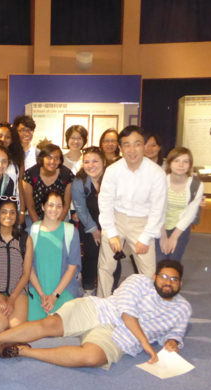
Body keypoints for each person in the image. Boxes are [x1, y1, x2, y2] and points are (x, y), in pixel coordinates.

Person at [0, 260, 191, 370]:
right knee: (49, 324)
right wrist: (145, 342)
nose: (167, 282)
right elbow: (127, 313)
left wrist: (172, 342)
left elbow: (175, 333)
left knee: (91, 359)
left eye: (174, 279)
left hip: (121, 338)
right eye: (163, 276)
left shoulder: (183, 309)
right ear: (155, 276)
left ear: (180, 283)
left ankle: (23, 351)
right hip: (98, 310)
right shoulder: (139, 281)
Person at [97, 126, 167, 298]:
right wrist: (111, 233)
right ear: (120, 148)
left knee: (148, 271)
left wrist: (146, 236)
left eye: (137, 144)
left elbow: (158, 209)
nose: (132, 149)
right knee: (105, 267)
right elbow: (105, 202)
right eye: (127, 145)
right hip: (116, 219)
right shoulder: (113, 170)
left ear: (144, 145)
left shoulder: (156, 173)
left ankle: (147, 307)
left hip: (143, 223)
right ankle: (102, 306)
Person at [0, 200, 33, 335]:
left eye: (12, 212)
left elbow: (26, 273)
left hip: (18, 291)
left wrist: (12, 299)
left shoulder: (25, 239)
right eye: (4, 212)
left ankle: (1, 342)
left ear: (17, 216)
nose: (8, 216)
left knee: (17, 329)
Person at [27, 190, 81, 321]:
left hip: (63, 290)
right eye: (50, 205)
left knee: (58, 323)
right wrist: (41, 294)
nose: (54, 209)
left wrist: (54, 296)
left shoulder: (71, 231)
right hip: (37, 290)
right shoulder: (32, 231)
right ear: (43, 206)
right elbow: (29, 268)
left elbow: (72, 268)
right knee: (33, 322)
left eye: (59, 206)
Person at [157, 148, 203, 262]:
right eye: (176, 160)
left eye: (185, 161)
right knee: (159, 262)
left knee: (173, 261)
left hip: (180, 226)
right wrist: (163, 236)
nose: (181, 165)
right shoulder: (160, 181)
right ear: (169, 163)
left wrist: (173, 237)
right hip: (158, 225)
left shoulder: (196, 185)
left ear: (190, 164)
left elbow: (190, 213)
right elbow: (156, 210)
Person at [72, 147, 107, 296]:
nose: (91, 165)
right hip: (89, 223)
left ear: (103, 162)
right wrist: (94, 231)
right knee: (92, 255)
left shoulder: (112, 178)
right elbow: (81, 208)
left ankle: (108, 290)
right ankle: (88, 289)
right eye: (86, 162)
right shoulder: (80, 180)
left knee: (112, 257)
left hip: (112, 223)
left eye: (95, 161)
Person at [22, 143, 74, 227]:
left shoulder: (66, 175)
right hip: (35, 217)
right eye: (49, 158)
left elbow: (66, 204)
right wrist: (39, 227)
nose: (52, 162)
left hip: (60, 217)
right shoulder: (30, 174)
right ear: (42, 158)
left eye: (56, 158)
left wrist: (56, 226)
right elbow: (30, 206)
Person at [0, 123, 25, 217]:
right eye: (0, 136)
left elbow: (20, 185)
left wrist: (22, 210)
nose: (3, 139)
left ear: (12, 140)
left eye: (7, 137)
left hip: (11, 207)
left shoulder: (18, 160)